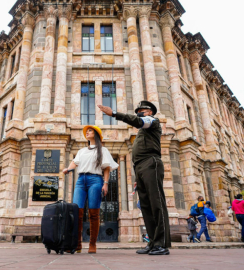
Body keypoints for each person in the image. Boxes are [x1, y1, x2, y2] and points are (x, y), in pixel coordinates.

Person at [99, 101, 171, 255]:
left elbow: (138, 121)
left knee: (156, 203)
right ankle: (152, 242)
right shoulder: (141, 132)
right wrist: (137, 176)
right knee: (145, 206)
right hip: (140, 167)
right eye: (138, 111)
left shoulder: (152, 121)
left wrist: (114, 114)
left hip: (151, 163)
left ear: (150, 112)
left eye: (142, 111)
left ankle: (161, 244)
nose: (139, 113)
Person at [63, 125, 118, 254]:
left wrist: (105, 183)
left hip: (96, 180)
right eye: (86, 131)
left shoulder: (102, 150)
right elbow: (74, 162)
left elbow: (106, 168)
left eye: (90, 130)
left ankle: (92, 244)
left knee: (94, 213)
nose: (87, 132)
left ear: (96, 134)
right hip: (81, 180)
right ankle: (77, 244)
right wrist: (68, 168)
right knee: (77, 212)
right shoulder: (82, 151)